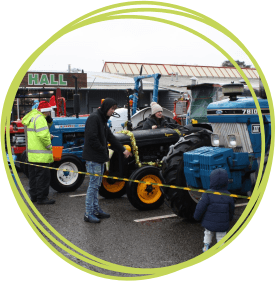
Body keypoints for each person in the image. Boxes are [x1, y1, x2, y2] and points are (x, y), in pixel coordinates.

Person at [82, 98, 132, 223]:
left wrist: (122, 150)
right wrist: (103, 150)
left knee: (96, 185)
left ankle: (96, 210)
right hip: (93, 158)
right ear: (106, 107)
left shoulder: (103, 119)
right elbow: (92, 138)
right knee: (93, 186)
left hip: (99, 158)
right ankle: (88, 213)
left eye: (114, 109)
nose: (113, 111)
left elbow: (111, 137)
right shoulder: (94, 118)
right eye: (112, 109)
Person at [193, 168, 235, 252]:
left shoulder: (207, 194)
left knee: (208, 233)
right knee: (221, 236)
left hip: (209, 222)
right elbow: (231, 209)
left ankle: (206, 246)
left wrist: (196, 217)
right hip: (222, 222)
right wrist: (229, 218)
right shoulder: (228, 195)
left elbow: (200, 207)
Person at [22, 101, 55, 204]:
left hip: (31, 155)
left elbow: (39, 131)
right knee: (43, 177)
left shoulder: (32, 117)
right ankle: (42, 198)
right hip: (41, 155)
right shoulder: (40, 119)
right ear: (46, 111)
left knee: (33, 177)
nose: (50, 113)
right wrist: (49, 144)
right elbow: (43, 135)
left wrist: (49, 122)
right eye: (49, 111)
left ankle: (34, 197)